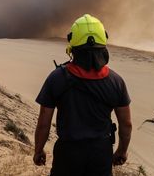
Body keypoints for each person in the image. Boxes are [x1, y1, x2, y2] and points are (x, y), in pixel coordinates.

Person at [33, 14, 132, 176]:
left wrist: (38, 150)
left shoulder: (56, 78)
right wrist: (122, 151)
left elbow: (44, 122)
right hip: (100, 154)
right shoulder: (116, 81)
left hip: (68, 154)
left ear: (73, 44)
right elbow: (126, 124)